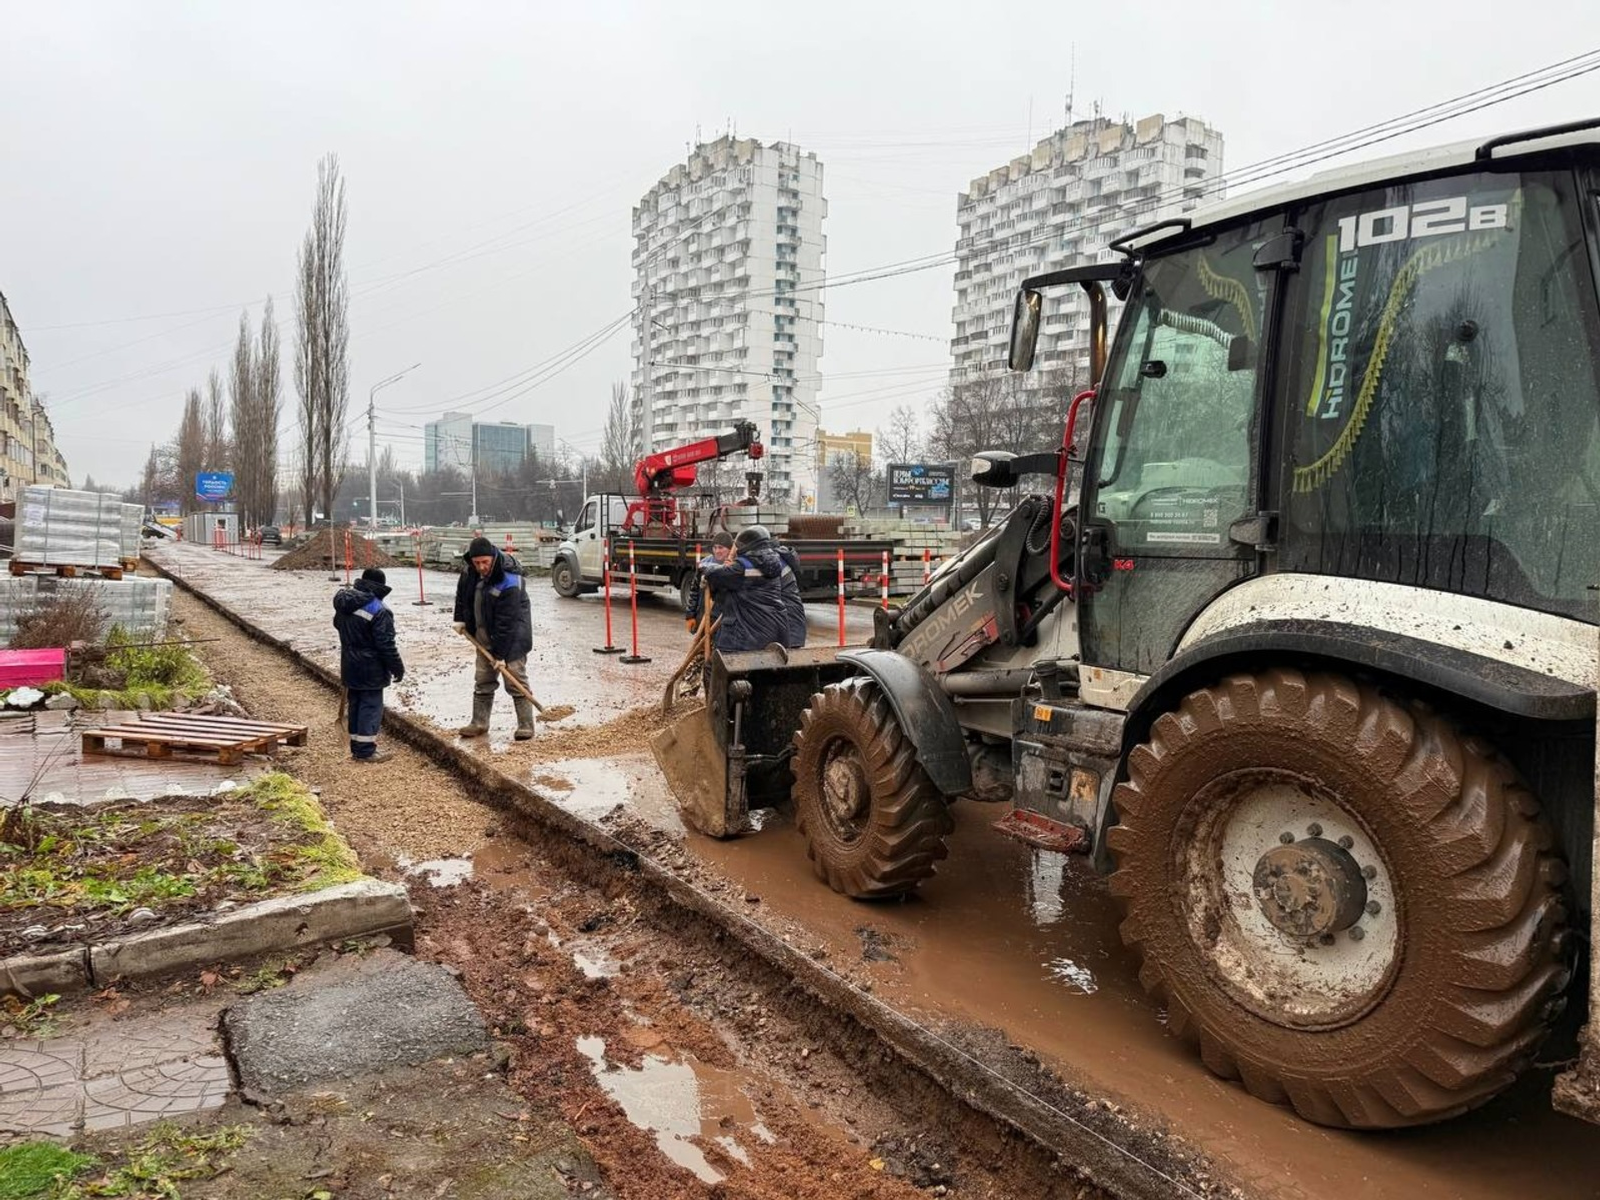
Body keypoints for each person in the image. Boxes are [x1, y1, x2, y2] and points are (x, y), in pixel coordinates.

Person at [451, 536, 535, 740]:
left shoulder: (510, 579)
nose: (481, 567)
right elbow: (462, 596)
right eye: (477, 562)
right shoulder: (469, 571)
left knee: (515, 681)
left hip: (512, 639)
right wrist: (460, 618)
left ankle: (526, 725)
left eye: (485, 562)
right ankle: (479, 722)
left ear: (493, 558)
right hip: (482, 636)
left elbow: (507, 622)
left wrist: (500, 654)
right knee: (483, 679)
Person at [332, 567, 405, 763]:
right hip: (371, 667)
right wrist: (397, 668)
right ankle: (365, 751)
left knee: (355, 703)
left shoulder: (343, 602)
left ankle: (357, 746)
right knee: (370, 706)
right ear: (381, 587)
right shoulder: (379, 609)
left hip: (349, 662)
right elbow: (386, 645)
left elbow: (337, 625)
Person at [699, 525, 798, 653]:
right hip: (776, 630)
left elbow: (716, 574)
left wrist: (705, 570)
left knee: (715, 666)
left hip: (748, 635)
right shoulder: (774, 563)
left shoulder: (743, 567)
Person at [684, 532, 735, 633]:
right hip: (704, 618)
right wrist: (690, 615)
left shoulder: (736, 566)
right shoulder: (704, 565)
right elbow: (695, 591)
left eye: (721, 548)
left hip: (725, 620)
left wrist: (731, 570)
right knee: (702, 648)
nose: (717, 551)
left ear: (730, 549)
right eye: (715, 548)